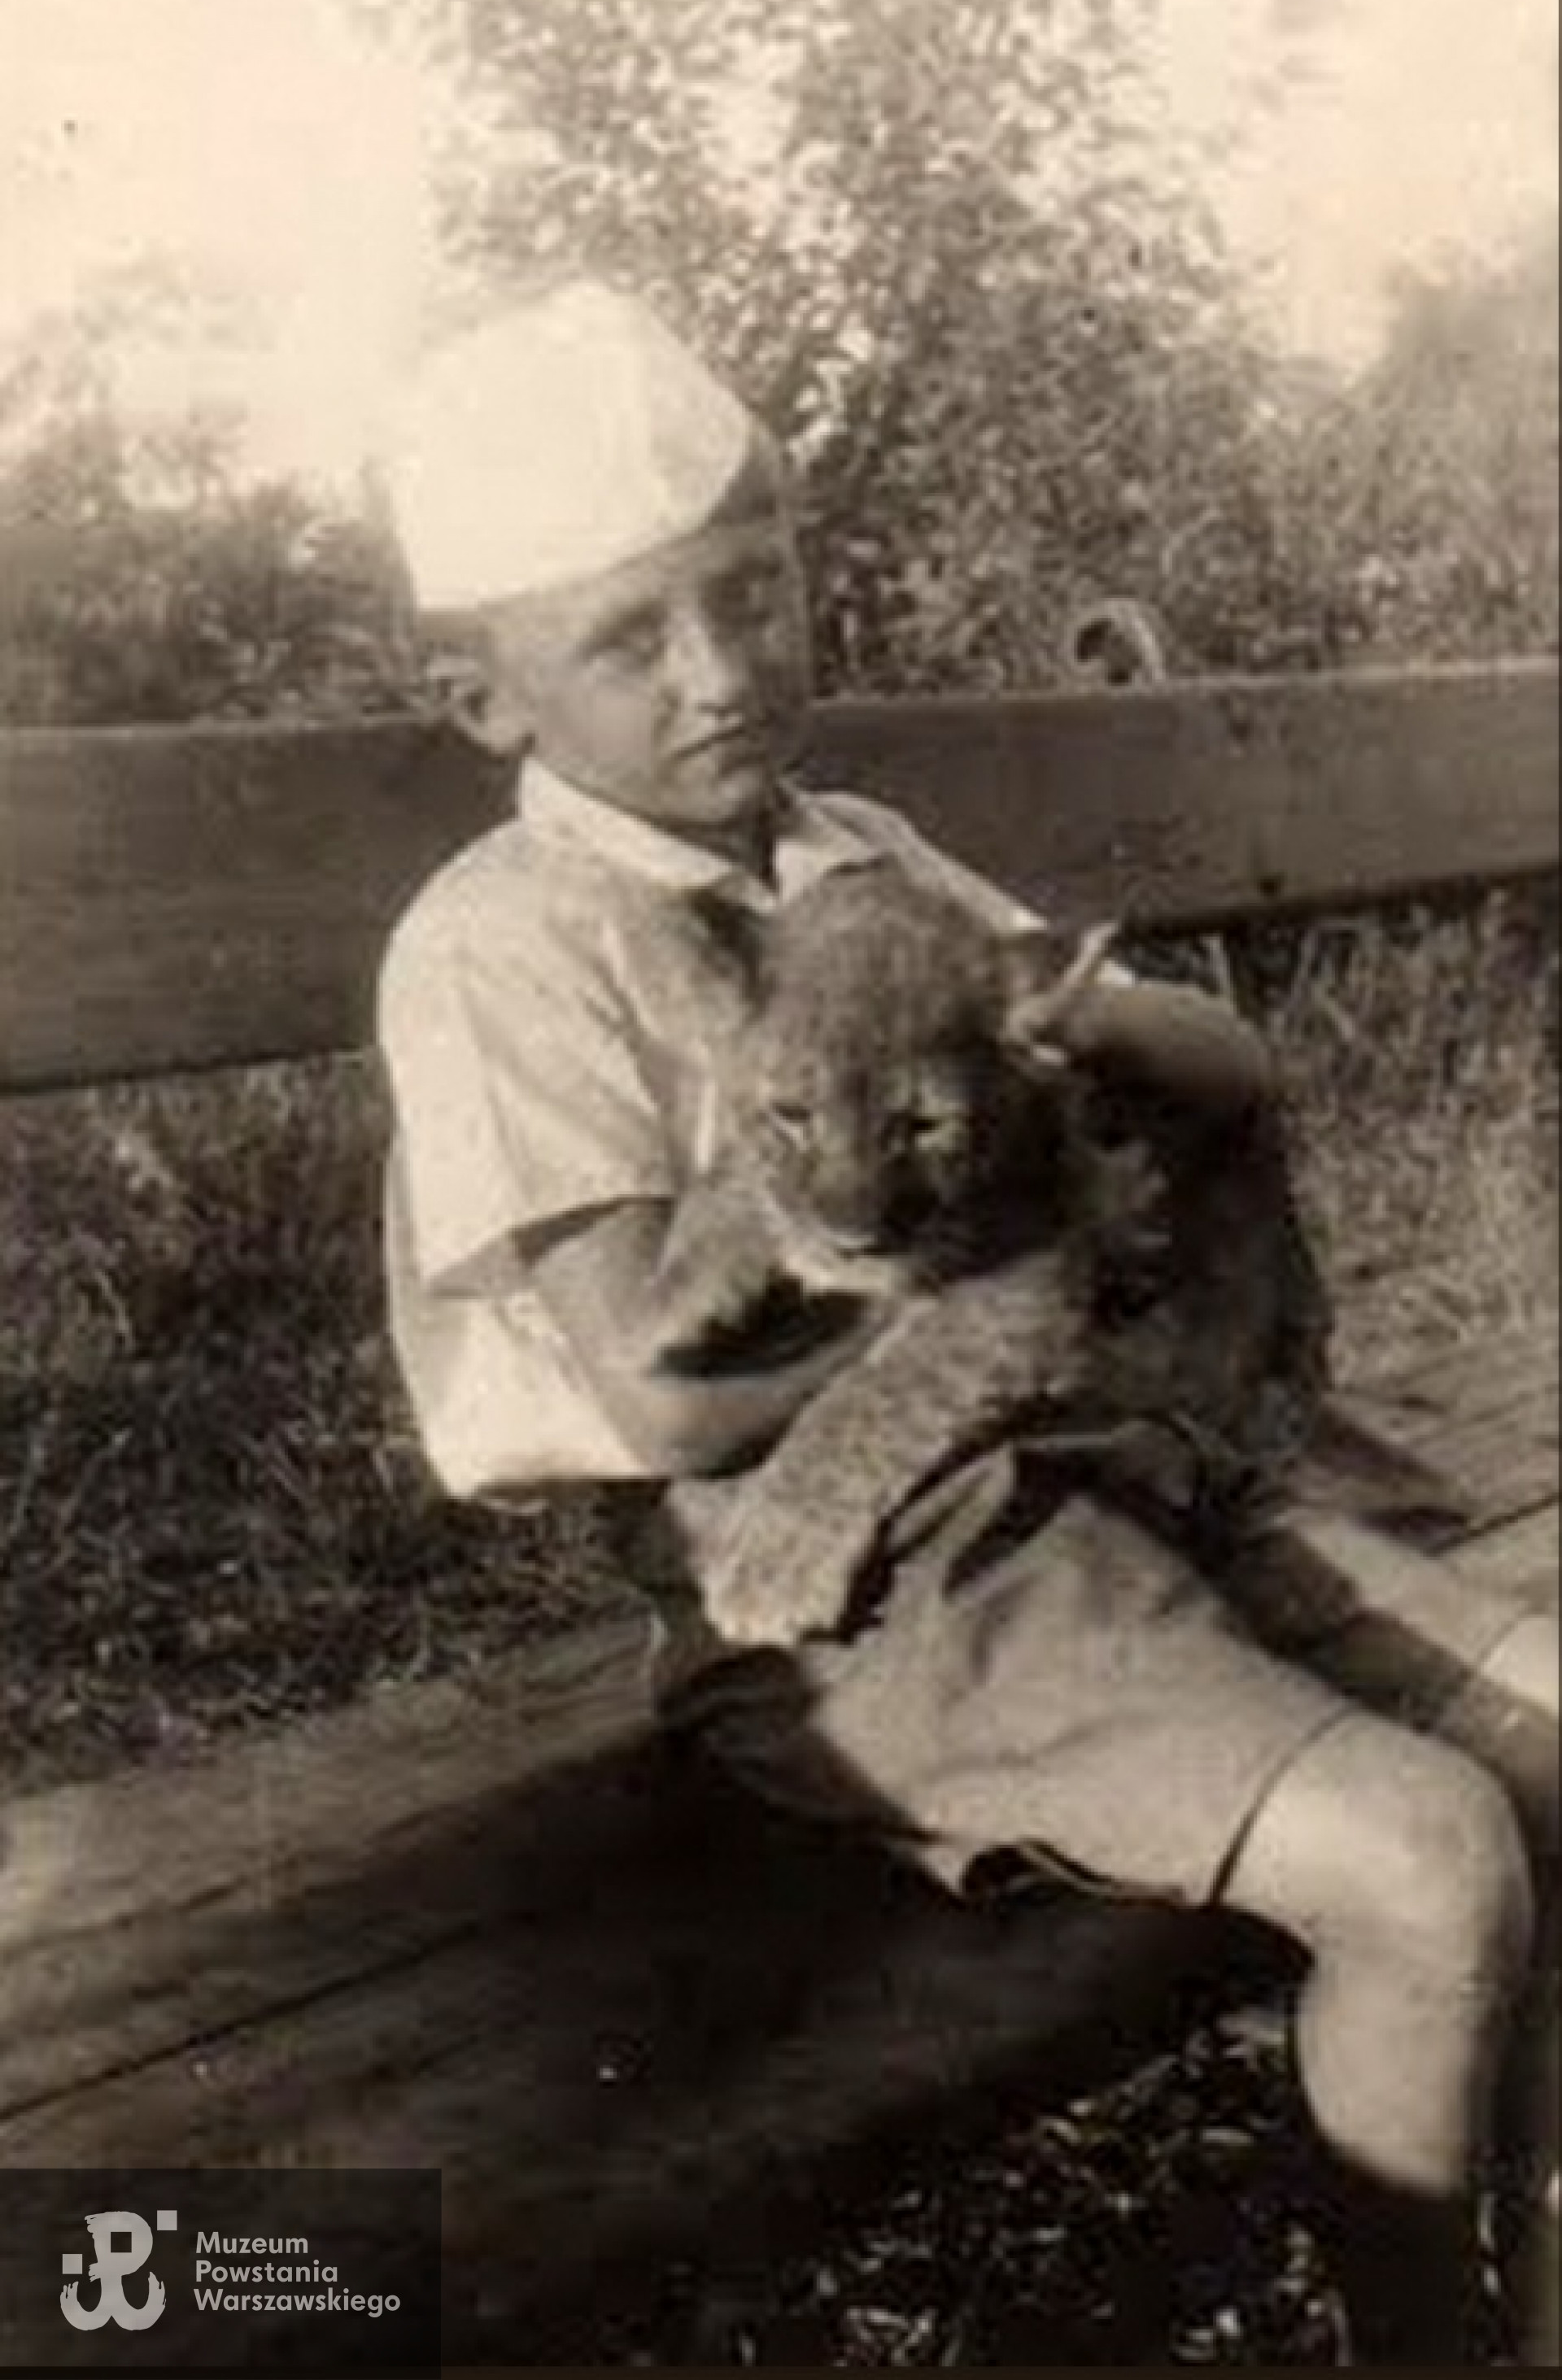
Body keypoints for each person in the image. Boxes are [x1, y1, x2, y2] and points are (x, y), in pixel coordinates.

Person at [376, 278, 1557, 2365]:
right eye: (629, 639)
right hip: (870, 1583)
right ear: (483, 698)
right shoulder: (505, 952)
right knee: (1437, 1855)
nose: (724, 672)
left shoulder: (866, 852)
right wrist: (1034, 1277)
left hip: (1112, 1451)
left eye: (757, 591)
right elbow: (661, 1392)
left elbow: (1216, 1073)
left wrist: (1068, 1025)